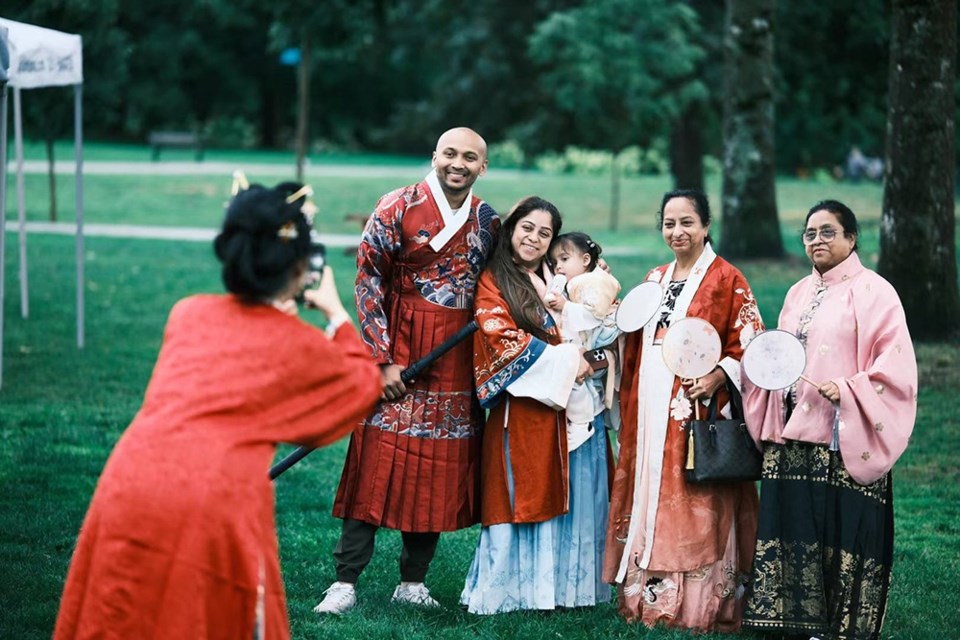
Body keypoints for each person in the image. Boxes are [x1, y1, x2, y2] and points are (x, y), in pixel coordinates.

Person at [53, 179, 382, 640]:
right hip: (213, 497)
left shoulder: (187, 314)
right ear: (298, 268)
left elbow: (241, 351)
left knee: (124, 609)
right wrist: (335, 313)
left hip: (128, 483)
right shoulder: (298, 344)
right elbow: (362, 385)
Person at [314, 127, 500, 614]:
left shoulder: (487, 221)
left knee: (437, 467)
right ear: (434, 156)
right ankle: (345, 581)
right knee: (374, 463)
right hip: (400, 347)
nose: (458, 164)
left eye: (470, 157)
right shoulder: (396, 205)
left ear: (483, 167)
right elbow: (368, 278)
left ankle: (413, 582)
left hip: (456, 358)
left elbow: (504, 283)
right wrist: (382, 359)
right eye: (450, 154)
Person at [741, 200, 918, 640]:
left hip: (845, 435)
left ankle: (842, 626)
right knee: (794, 529)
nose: (816, 240)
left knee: (842, 532)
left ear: (851, 238)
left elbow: (895, 366)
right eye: (809, 233)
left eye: (827, 232)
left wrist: (852, 388)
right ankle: (792, 623)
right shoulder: (798, 292)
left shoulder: (876, 291)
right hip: (794, 433)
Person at [603, 188, 763, 632]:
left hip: (696, 402)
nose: (677, 231)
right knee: (651, 484)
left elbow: (751, 341)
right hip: (650, 400)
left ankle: (700, 603)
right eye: (669, 223)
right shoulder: (655, 277)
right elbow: (632, 336)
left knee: (693, 491)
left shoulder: (727, 278)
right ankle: (646, 598)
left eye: (687, 222)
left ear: (706, 226)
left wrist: (720, 375)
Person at [460, 196, 609, 614]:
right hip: (521, 407)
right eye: (527, 227)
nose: (535, 238)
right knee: (517, 494)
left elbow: (595, 323)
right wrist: (568, 361)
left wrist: (594, 350)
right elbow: (499, 336)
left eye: (545, 233)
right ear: (512, 228)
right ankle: (512, 592)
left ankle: (565, 589)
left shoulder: (560, 279)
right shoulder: (495, 279)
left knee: (573, 497)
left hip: (572, 406)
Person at [544, 231, 622, 453]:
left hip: (597, 348)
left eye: (564, 259)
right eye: (554, 262)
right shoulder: (579, 280)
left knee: (578, 383)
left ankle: (580, 425)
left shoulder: (594, 281)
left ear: (586, 260)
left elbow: (593, 313)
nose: (558, 266)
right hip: (586, 348)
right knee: (578, 382)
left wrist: (565, 306)